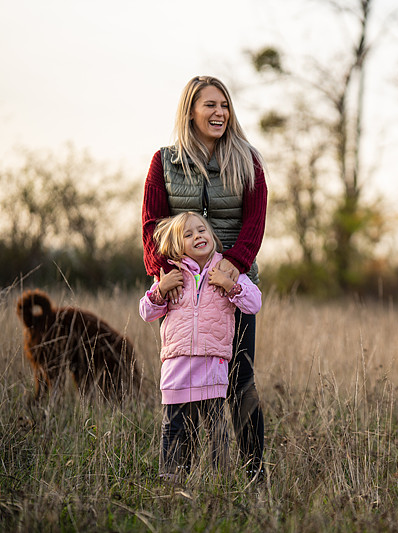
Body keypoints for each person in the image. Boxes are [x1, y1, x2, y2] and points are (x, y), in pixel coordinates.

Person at [142, 75, 268, 479]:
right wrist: (162, 273)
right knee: (184, 380)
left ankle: (252, 473)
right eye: (210, 105)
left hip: (231, 285)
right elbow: (150, 223)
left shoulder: (248, 159)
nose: (219, 113)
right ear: (190, 111)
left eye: (224, 106)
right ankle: (180, 474)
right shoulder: (164, 161)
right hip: (181, 290)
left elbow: (255, 219)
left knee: (239, 377)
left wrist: (236, 261)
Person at [139, 212, 262, 481]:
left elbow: (254, 304)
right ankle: (172, 481)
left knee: (215, 428)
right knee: (174, 427)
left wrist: (230, 286)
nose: (197, 236)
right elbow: (146, 312)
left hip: (212, 368)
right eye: (188, 234)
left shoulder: (226, 270)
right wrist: (160, 290)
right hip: (176, 370)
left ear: (212, 236)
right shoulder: (171, 274)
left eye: (201, 230)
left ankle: (219, 482)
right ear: (176, 245)